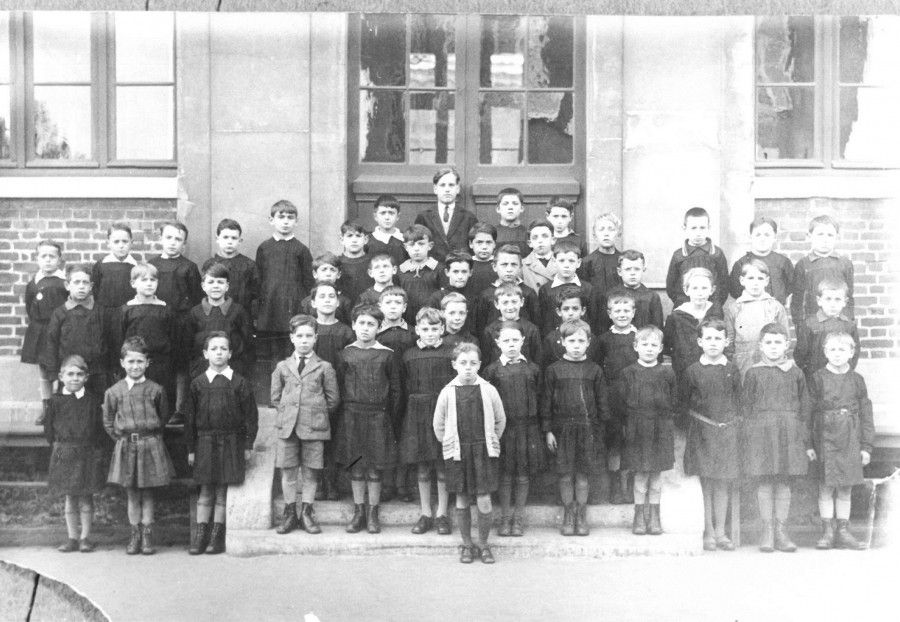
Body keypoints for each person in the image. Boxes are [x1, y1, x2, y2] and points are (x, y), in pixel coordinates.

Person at [741, 323, 812, 553]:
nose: (773, 347)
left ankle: (781, 531)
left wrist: (801, 435)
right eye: (769, 343)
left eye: (778, 342)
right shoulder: (753, 372)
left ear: (787, 345)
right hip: (762, 433)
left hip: (788, 432)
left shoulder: (795, 372)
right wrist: (752, 434)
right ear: (761, 346)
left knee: (783, 480)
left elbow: (805, 408)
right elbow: (746, 407)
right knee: (764, 480)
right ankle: (767, 530)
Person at [433, 342, 506, 563]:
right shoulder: (447, 392)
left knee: (484, 500)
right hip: (458, 453)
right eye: (463, 363)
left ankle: (483, 544)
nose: (468, 368)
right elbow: (438, 426)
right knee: (462, 499)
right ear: (454, 364)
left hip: (482, 452)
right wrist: (450, 443)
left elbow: (500, 420)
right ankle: (466, 544)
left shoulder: (489, 390)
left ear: (479, 365)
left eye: (473, 363)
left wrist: (489, 441)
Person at [186, 332, 258, 553]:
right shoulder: (197, 383)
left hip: (231, 441)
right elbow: (189, 419)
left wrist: (247, 445)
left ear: (230, 353)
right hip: (205, 442)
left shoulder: (239, 382)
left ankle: (216, 537)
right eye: (214, 349)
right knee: (206, 490)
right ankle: (200, 535)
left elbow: (251, 417)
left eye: (223, 349)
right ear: (205, 353)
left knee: (222, 491)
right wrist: (191, 449)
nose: (219, 353)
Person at [103, 337, 175, 555]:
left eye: (140, 361)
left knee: (148, 493)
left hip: (150, 446)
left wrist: (149, 438)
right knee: (132, 493)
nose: (135, 366)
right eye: (131, 361)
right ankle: (134, 535)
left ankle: (147, 536)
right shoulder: (113, 392)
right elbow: (108, 422)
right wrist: (123, 441)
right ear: (122, 363)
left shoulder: (156, 390)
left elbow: (163, 417)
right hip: (127, 447)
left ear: (147, 363)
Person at [336, 304, 402, 534]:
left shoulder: (387, 355)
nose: (365, 328)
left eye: (371, 324)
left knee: (374, 469)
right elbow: (340, 385)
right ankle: (358, 511)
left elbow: (395, 391)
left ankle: (373, 512)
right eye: (361, 323)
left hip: (378, 417)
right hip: (352, 417)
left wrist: (389, 418)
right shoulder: (346, 354)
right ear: (353, 325)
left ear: (379, 327)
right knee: (356, 467)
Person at [271, 316, 339, 535]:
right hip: (287, 427)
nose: (304, 340)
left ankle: (307, 512)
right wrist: (291, 412)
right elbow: (275, 397)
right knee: (288, 471)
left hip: (314, 428)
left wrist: (313, 415)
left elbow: (332, 399)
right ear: (292, 338)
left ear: (316, 338)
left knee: (311, 471)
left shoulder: (324, 367)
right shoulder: (282, 366)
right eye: (299, 336)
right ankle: (290, 513)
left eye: (309, 336)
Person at [542, 319, 609, 537]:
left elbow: (602, 403)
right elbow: (546, 403)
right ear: (562, 342)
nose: (577, 345)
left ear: (589, 342)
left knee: (582, 475)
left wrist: (598, 432)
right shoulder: (554, 370)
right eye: (571, 340)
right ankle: (568, 513)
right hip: (562, 430)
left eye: (581, 340)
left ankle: (581, 514)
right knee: (564, 474)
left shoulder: (595, 370)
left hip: (587, 430)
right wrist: (548, 430)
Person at [808, 332, 873, 550]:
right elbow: (808, 412)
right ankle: (827, 531)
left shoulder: (857, 380)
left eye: (842, 349)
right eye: (832, 350)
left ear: (851, 352)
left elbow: (866, 415)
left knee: (845, 487)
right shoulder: (818, 377)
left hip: (850, 438)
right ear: (825, 352)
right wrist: (808, 444)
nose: (837, 354)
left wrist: (866, 447)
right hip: (823, 436)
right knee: (825, 486)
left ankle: (843, 531)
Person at [683, 319, 742, 551]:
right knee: (706, 482)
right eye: (708, 338)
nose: (713, 343)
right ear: (700, 342)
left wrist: (732, 424)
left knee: (723, 481)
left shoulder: (732, 369)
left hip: (727, 433)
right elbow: (684, 403)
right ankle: (707, 531)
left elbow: (739, 400)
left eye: (718, 338)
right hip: (702, 433)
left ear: (726, 341)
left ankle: (721, 531)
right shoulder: (692, 371)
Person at [482, 322, 544, 537]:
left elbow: (541, 399)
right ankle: (505, 518)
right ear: (498, 342)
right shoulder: (491, 370)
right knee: (506, 475)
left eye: (515, 340)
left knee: (522, 475)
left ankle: (518, 518)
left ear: (523, 341)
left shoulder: (533, 369)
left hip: (527, 429)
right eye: (506, 341)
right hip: (504, 431)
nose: (511, 344)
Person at [400, 307, 456, 535]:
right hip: (418, 414)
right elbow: (404, 388)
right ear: (417, 330)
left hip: (443, 414)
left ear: (442, 328)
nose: (430, 333)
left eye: (435, 328)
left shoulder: (450, 353)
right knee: (423, 467)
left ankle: (442, 514)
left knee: (442, 467)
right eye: (425, 329)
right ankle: (425, 513)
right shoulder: (409, 355)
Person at [43, 355, 106, 553]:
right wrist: (60, 447)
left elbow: (98, 428)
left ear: (86, 377)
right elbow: (49, 430)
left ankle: (85, 537)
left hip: (86, 451)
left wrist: (95, 451)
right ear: (61, 376)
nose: (75, 378)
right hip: (64, 452)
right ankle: (71, 537)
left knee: (86, 497)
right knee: (70, 498)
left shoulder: (92, 401)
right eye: (70, 374)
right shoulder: (55, 401)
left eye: (79, 374)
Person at [621, 326, 676, 536]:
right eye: (644, 344)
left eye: (654, 345)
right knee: (641, 473)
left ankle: (654, 516)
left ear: (661, 348)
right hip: (637, 428)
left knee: (656, 473)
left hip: (660, 428)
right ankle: (639, 516)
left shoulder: (667, 372)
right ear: (636, 346)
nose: (649, 349)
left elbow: (674, 400)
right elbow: (622, 403)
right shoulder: (628, 373)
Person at [149, 221, 203, 419]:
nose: (173, 242)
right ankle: (161, 406)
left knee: (181, 364)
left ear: (184, 244)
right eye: (168, 237)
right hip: (157, 321)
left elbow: (196, 298)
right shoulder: (152, 265)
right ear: (160, 239)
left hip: (181, 322)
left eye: (178, 239)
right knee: (161, 365)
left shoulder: (189, 267)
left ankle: (180, 409)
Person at [308, 282, 354, 501]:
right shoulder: (309, 330)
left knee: (335, 438)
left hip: (340, 392)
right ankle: (317, 483)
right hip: (313, 394)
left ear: (338, 301)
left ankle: (332, 482)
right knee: (316, 439)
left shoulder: (346, 331)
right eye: (322, 296)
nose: (327, 300)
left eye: (331, 296)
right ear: (313, 302)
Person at [256, 200, 315, 365]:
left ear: (296, 221)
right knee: (272, 356)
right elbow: (259, 280)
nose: (286, 221)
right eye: (281, 217)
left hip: (293, 308)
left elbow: (308, 282)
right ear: (271, 220)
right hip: (270, 309)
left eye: (290, 217)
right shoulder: (264, 248)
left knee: (293, 353)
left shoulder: (301, 249)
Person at [595, 291, 639, 505]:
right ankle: (614, 485)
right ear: (609, 313)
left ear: (633, 312)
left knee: (632, 440)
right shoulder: (603, 339)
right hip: (612, 395)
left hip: (636, 395)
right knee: (614, 441)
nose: (622, 314)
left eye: (626, 310)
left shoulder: (639, 337)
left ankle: (629, 483)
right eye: (617, 310)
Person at [41, 264, 110, 400]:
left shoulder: (100, 312)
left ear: (91, 286)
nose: (81, 286)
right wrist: (53, 374)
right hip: (70, 373)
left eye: (85, 282)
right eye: (76, 282)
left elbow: (109, 342)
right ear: (67, 285)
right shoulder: (60, 313)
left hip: (96, 372)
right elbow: (51, 343)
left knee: (95, 407)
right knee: (69, 406)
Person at [663, 267, 724, 417]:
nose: (699, 292)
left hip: (712, 367)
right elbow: (668, 345)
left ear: (712, 290)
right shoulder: (676, 317)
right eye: (695, 287)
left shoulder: (716, 312)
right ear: (686, 289)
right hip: (685, 369)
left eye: (704, 288)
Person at [118, 263, 178, 410]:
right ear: (133, 283)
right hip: (135, 364)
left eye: (153, 280)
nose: (149, 284)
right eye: (144, 280)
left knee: (161, 402)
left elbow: (174, 339)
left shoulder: (165, 310)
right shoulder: (126, 310)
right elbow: (119, 339)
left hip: (161, 365)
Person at [22, 239, 68, 424]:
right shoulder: (33, 283)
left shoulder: (63, 282)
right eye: (43, 256)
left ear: (59, 259)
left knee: (61, 368)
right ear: (37, 258)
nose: (48, 260)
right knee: (43, 370)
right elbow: (29, 306)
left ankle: (62, 407)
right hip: (40, 331)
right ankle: (46, 409)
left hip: (60, 331)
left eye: (52, 256)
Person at [186, 261, 254, 379]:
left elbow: (247, 343)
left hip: (233, 370)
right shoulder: (195, 312)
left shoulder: (238, 311)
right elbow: (188, 345)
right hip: (202, 371)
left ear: (227, 286)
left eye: (220, 282)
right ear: (203, 286)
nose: (215, 286)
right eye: (211, 282)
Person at [724, 259, 789, 377]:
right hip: (743, 363)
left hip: (770, 363)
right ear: (742, 280)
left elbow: (785, 337)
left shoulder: (775, 307)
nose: (755, 283)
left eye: (760, 278)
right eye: (751, 278)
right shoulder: (734, 308)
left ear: (766, 281)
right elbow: (729, 343)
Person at [790, 214, 855, 327]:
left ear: (837, 237)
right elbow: (797, 300)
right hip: (812, 324)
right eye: (820, 234)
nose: (825, 239)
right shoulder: (803, 264)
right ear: (810, 236)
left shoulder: (845, 264)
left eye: (830, 235)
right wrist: (800, 325)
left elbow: (849, 297)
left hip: (838, 322)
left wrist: (847, 322)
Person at [794, 279, 859, 380]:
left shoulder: (849, 325)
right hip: (814, 377)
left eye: (837, 299)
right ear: (819, 301)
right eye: (828, 299)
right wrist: (809, 373)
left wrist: (844, 370)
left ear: (845, 302)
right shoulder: (809, 324)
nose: (832, 304)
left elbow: (854, 352)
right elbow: (800, 354)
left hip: (840, 376)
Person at [665, 207, 729, 308]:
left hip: (711, 307)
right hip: (684, 307)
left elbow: (724, 284)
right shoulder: (679, 255)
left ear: (709, 227)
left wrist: (715, 304)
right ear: (684, 228)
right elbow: (671, 287)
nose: (698, 233)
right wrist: (682, 302)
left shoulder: (716, 254)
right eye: (693, 228)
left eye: (702, 228)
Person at [414, 166, 478, 262]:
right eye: (442, 185)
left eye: (451, 185)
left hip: (459, 270)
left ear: (457, 189)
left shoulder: (469, 217)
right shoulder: (424, 217)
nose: (447, 189)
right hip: (433, 270)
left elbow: (474, 247)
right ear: (435, 189)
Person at [474, 244, 540, 335]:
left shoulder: (528, 293)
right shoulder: (486, 295)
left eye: (513, 265)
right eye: (504, 265)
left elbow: (536, 325)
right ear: (494, 267)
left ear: (520, 267)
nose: (509, 269)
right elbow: (481, 328)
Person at [728, 216, 793, 305]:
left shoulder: (783, 262)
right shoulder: (741, 263)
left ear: (774, 237)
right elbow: (734, 291)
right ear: (751, 237)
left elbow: (790, 287)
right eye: (758, 235)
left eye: (767, 235)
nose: (762, 239)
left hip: (776, 311)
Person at [597, 250, 664, 334]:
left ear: (643, 269)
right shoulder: (610, 296)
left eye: (637, 269)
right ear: (619, 271)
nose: (632, 273)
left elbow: (657, 328)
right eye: (628, 269)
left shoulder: (652, 297)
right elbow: (603, 328)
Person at [537, 241, 594, 336]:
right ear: (554, 262)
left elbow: (592, 319)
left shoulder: (588, 289)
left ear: (578, 263)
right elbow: (545, 322)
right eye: (562, 261)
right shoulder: (546, 290)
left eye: (571, 261)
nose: (566, 265)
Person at [480, 283, 542, 366]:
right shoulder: (490, 330)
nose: (510, 307)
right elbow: (486, 361)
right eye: (505, 302)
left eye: (514, 301)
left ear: (522, 302)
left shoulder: (531, 329)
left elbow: (537, 360)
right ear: (497, 304)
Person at [209, 218, 260, 316]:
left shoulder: (249, 265)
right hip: (217, 315)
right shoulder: (210, 264)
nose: (229, 241)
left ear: (240, 240)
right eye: (225, 237)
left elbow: (256, 295)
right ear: (217, 239)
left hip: (243, 315)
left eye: (234, 238)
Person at [541, 286, 601, 367]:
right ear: (559, 311)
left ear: (583, 310)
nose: (570, 313)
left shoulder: (591, 339)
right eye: (566, 309)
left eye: (575, 308)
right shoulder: (551, 339)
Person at [397, 224, 442, 324]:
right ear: (405, 247)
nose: (416, 249)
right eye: (412, 244)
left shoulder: (439, 269)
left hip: (432, 321)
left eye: (421, 244)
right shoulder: (400, 271)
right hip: (407, 320)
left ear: (430, 246)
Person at [425, 251, 477, 334]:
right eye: (455, 271)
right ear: (447, 272)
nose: (460, 276)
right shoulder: (437, 298)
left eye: (464, 272)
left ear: (470, 272)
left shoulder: (476, 297)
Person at [299, 252, 353, 325]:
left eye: (332, 270)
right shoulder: (307, 303)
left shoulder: (345, 302)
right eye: (324, 269)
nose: (328, 274)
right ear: (315, 274)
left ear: (339, 274)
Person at [579, 213, 622, 296]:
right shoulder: (587, 262)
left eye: (611, 229)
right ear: (595, 235)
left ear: (618, 234)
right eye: (601, 229)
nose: (606, 234)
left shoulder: (623, 260)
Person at [336, 220, 374, 305]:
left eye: (358, 236)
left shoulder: (374, 263)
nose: (354, 240)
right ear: (341, 239)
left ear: (366, 239)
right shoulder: (336, 264)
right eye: (349, 236)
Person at [367, 194, 407, 268]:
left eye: (391, 213)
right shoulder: (368, 241)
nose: (387, 217)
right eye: (383, 213)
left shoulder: (404, 240)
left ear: (397, 216)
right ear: (375, 216)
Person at [521, 220, 557, 292]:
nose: (540, 240)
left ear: (553, 240)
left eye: (545, 236)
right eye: (535, 237)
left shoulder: (562, 261)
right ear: (529, 243)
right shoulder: (522, 265)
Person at [495, 187, 529, 256]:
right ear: (498, 209)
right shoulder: (493, 233)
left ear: (522, 208)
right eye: (505, 204)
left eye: (515, 203)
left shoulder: (527, 233)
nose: (510, 207)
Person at [467, 222, 498, 296]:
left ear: (494, 244)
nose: (484, 247)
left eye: (488, 242)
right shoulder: (466, 265)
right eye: (479, 242)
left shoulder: (500, 265)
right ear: (471, 244)